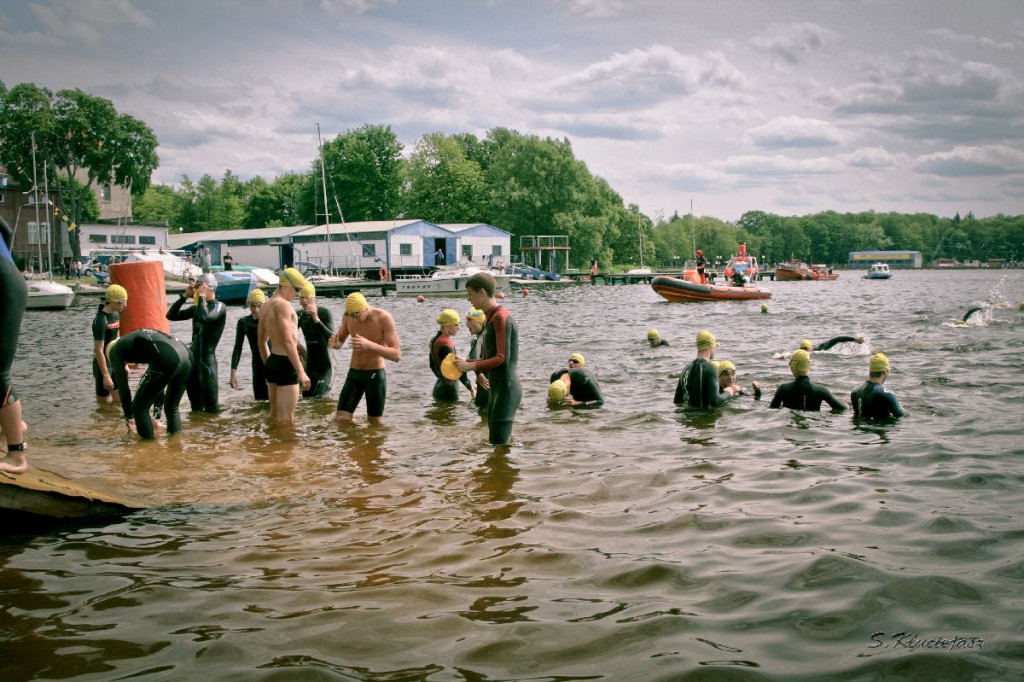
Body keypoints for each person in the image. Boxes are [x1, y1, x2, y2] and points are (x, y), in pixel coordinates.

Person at [455, 273, 521, 445]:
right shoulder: (491, 317)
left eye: (470, 294)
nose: (469, 299)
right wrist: (465, 362)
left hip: (506, 389)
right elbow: (489, 357)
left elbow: (501, 358)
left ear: (482, 292)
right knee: (496, 444)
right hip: (497, 389)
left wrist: (470, 367)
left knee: (499, 446)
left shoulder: (500, 317)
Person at [330, 291, 402, 424]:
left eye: (357, 315)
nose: (355, 319)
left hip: (374, 375)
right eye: (350, 315)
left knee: (374, 424)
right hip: (354, 373)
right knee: (341, 420)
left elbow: (397, 355)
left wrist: (370, 345)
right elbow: (339, 341)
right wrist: (335, 344)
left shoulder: (383, 318)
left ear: (365, 308)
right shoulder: (348, 317)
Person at [107, 329, 191, 440]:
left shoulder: (114, 351)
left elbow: (123, 389)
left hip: (168, 355)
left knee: (139, 408)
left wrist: (129, 418)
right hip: (187, 355)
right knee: (172, 407)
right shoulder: (134, 342)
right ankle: (175, 444)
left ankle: (147, 448)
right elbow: (158, 384)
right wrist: (156, 416)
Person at [167, 272, 227, 413]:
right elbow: (171, 316)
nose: (197, 289)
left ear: (208, 288)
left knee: (212, 409)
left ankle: (212, 435)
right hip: (193, 362)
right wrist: (184, 296)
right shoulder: (197, 308)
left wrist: (201, 297)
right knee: (195, 408)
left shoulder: (219, 307)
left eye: (200, 287)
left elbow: (205, 317)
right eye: (197, 287)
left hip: (207, 362)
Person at [259, 268, 312, 423]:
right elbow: (288, 341)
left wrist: (268, 365)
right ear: (286, 286)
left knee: (274, 415)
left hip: (273, 361)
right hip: (286, 363)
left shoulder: (266, 305)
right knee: (286, 420)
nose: (297, 294)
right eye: (297, 290)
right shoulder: (283, 305)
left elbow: (261, 342)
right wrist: (301, 372)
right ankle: (287, 447)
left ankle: (272, 446)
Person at [0, 216, 29, 473]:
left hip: (3, 284)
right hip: (8, 278)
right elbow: (6, 229)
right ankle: (15, 425)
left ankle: (17, 456)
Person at [673, 330, 739, 409]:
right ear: (711, 346)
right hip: (704, 420)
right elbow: (715, 401)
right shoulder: (711, 369)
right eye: (715, 347)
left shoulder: (686, 369)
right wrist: (730, 391)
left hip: (687, 419)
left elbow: (677, 401)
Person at [769, 349, 846, 411]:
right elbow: (842, 408)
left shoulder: (783, 389)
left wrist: (758, 393)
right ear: (808, 366)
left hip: (791, 428)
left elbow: (772, 410)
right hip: (814, 426)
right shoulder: (821, 390)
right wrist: (848, 404)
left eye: (790, 363)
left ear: (793, 366)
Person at [297, 283, 334, 398]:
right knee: (307, 401)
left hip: (327, 366)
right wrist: (302, 352)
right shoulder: (300, 315)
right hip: (311, 366)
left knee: (319, 399)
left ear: (313, 298)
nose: (303, 301)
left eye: (306, 297)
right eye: (301, 298)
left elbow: (331, 337)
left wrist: (316, 318)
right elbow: (289, 336)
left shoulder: (324, 313)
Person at [230, 288, 268, 400]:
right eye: (252, 306)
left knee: (276, 403)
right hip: (257, 366)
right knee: (260, 403)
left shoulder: (271, 320)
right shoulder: (244, 322)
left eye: (259, 306)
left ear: (265, 306)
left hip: (272, 364)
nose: (255, 310)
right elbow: (238, 347)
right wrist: (233, 373)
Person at [429, 309, 474, 402]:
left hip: (439, 387)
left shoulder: (434, 340)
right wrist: (470, 387)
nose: (459, 328)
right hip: (449, 390)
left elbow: (431, 365)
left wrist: (440, 378)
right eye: (456, 324)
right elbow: (458, 367)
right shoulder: (446, 343)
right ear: (447, 325)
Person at [93, 284, 127, 404]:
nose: (125, 305)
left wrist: (124, 363)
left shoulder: (116, 314)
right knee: (104, 408)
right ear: (113, 302)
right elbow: (99, 350)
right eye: (123, 302)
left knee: (119, 402)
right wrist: (106, 375)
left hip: (115, 362)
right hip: (103, 367)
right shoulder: (101, 320)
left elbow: (117, 340)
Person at [851, 353, 904, 420]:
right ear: (885, 372)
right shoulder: (887, 395)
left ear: (870, 371)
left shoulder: (855, 392)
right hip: (881, 428)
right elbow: (901, 416)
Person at [465, 307, 489, 410]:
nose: (466, 323)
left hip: (484, 384)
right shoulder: (489, 335)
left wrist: (478, 374)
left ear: (481, 321)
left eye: (470, 319)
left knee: (481, 414)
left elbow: (474, 358)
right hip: (493, 384)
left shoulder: (476, 340)